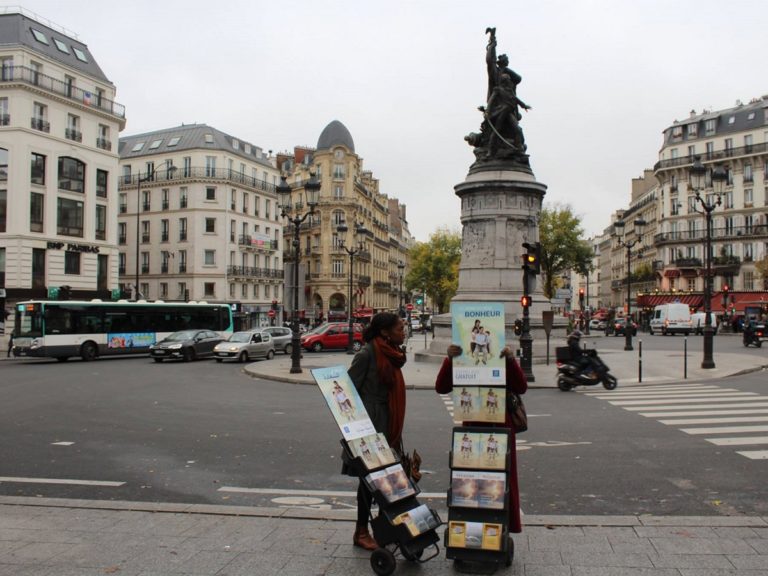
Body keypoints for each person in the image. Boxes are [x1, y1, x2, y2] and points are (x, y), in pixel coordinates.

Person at [434, 342, 528, 535]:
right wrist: (449, 360)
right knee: (470, 476)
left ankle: (501, 526)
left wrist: (511, 360)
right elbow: (441, 387)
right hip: (474, 423)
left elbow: (521, 387)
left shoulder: (502, 356)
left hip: (499, 424)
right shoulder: (461, 357)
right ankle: (471, 525)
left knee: (502, 476)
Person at [343, 312, 408, 551]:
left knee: (386, 478)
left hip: (388, 420)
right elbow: (347, 391)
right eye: (399, 328)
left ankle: (384, 528)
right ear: (384, 332)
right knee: (368, 480)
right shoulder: (368, 354)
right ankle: (361, 531)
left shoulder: (392, 352)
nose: (403, 331)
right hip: (370, 424)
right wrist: (358, 425)